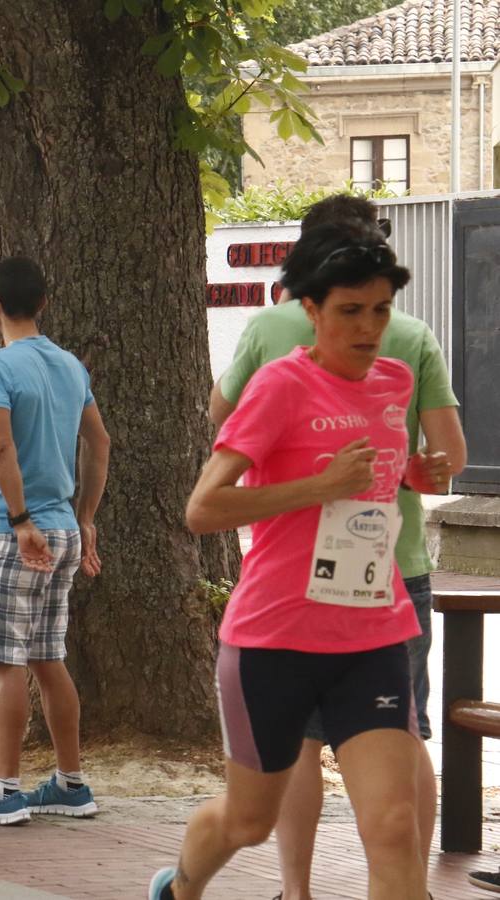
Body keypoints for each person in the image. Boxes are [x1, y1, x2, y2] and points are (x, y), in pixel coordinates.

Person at [149, 221, 449, 900]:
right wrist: (320, 487)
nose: (369, 328)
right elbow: (203, 508)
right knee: (248, 821)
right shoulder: (279, 387)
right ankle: (181, 887)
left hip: (372, 633)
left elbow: (376, 482)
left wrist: (417, 476)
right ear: (310, 310)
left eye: (380, 309)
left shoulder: (395, 382)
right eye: (350, 311)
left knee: (396, 827)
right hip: (274, 640)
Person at [0, 257, 110, 826]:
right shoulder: (70, 366)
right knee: (48, 658)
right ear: (43, 303)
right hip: (64, 528)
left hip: (13, 534)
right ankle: (70, 781)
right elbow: (100, 442)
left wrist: (17, 519)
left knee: (7, 665)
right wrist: (85, 515)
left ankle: (5, 789)